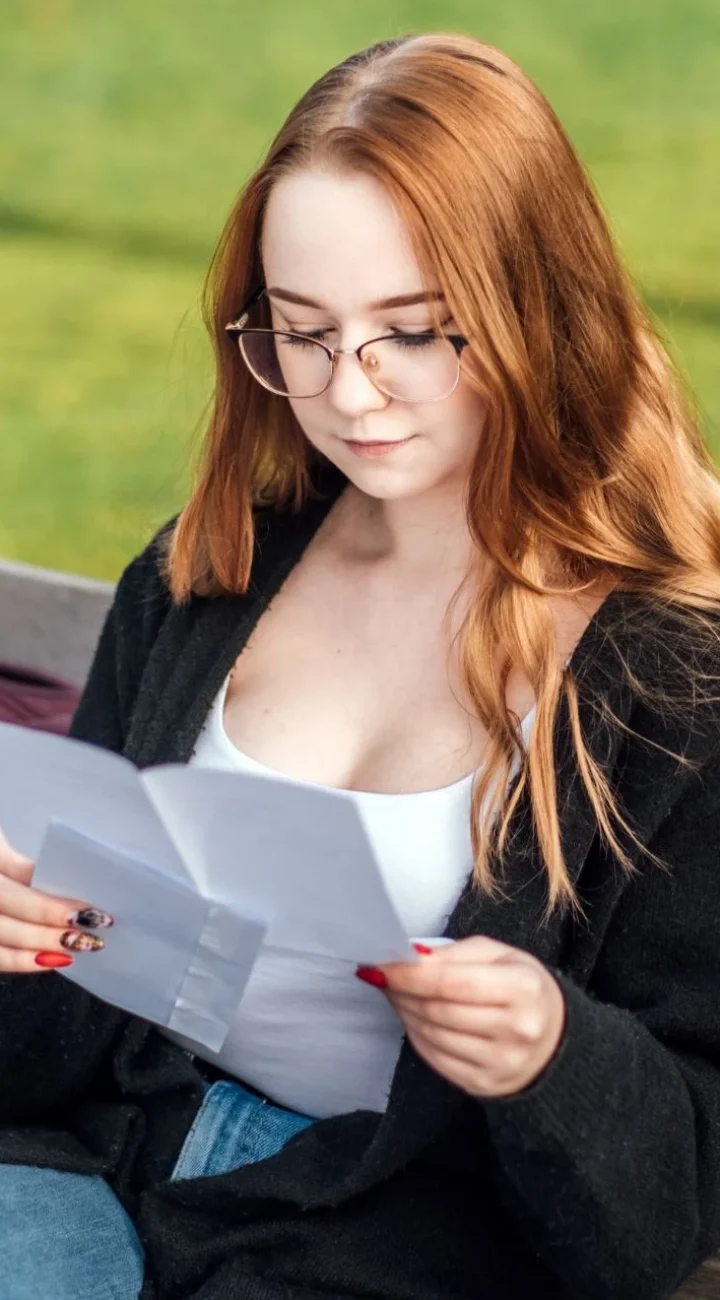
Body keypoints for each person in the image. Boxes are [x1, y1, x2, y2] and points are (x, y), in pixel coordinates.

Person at [0, 29, 719, 1300]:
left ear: (536, 309)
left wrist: (554, 1056)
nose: (352, 395)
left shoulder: (673, 683)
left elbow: (675, 1202)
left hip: (390, 1242)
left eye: (416, 331)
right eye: (302, 332)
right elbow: (51, 1047)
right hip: (88, 1171)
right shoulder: (207, 571)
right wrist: (28, 943)